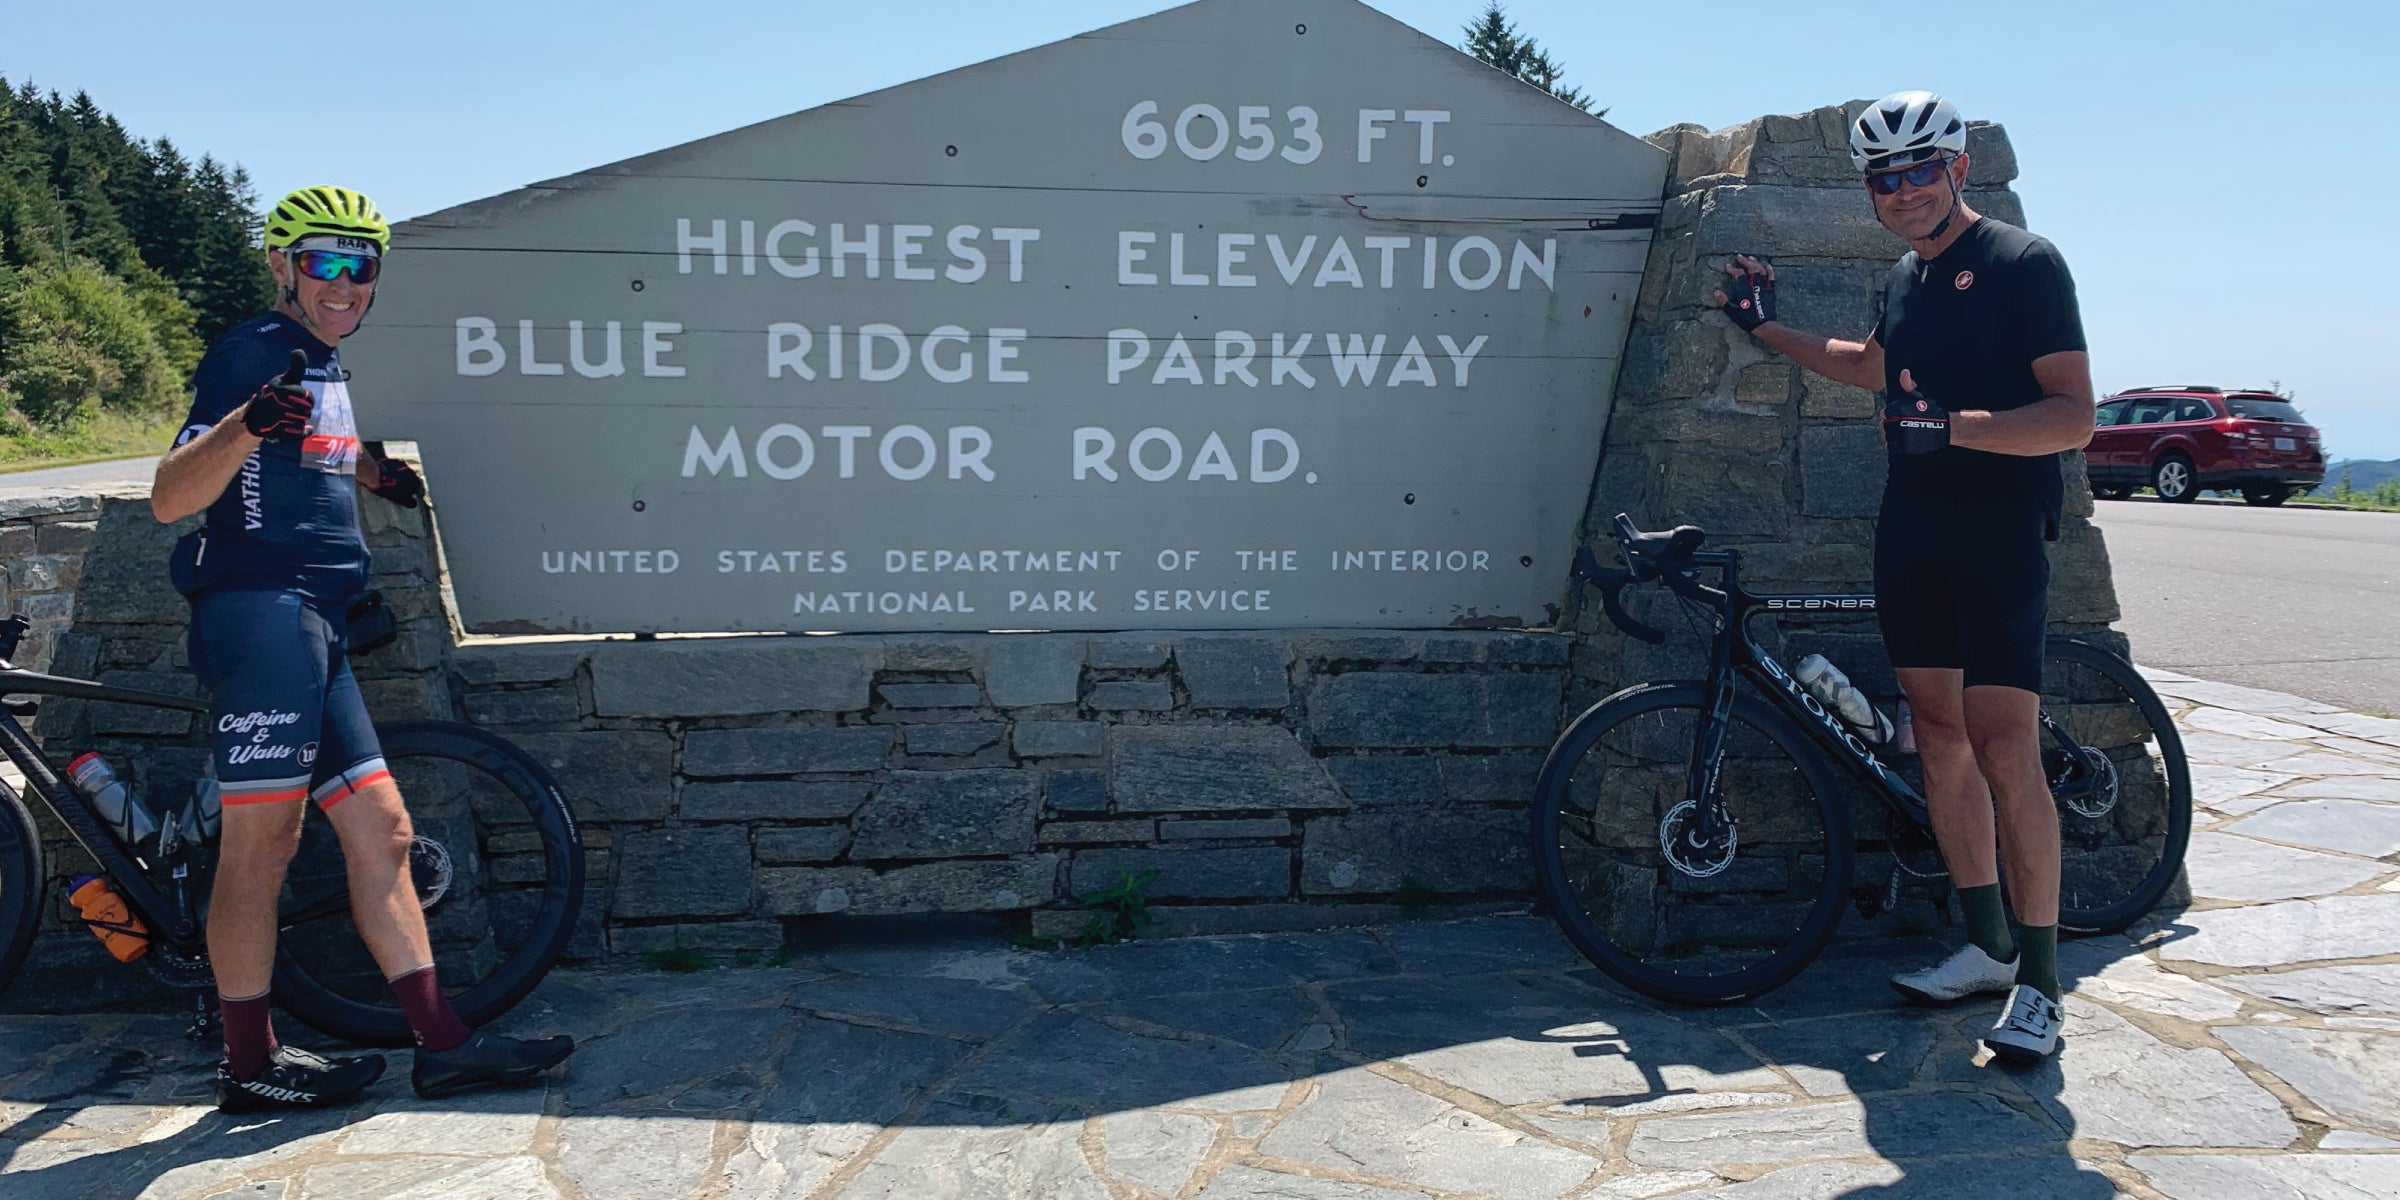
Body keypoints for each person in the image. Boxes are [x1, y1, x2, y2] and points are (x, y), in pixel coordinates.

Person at [150, 185, 574, 1110]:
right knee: (262, 847)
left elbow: (304, 458)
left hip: (317, 624)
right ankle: (249, 1068)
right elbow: (172, 495)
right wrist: (247, 422)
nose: (346, 282)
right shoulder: (252, 355)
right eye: (324, 262)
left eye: (362, 266)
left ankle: (444, 1045)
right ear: (282, 265)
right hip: (261, 616)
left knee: (382, 831)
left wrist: (373, 472)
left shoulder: (322, 362)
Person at [1711, 92, 2095, 1063]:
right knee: (1938, 740)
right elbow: (1869, 367)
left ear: (1958, 170)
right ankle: (1988, 946)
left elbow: (2072, 417)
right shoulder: (1902, 281)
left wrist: (1956, 429)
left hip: (2000, 527)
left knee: (2005, 745)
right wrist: (1766, 328)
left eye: (1920, 170)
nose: (1902, 191)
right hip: (1913, 530)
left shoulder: (2024, 264)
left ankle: (2044, 986)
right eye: (1884, 178)